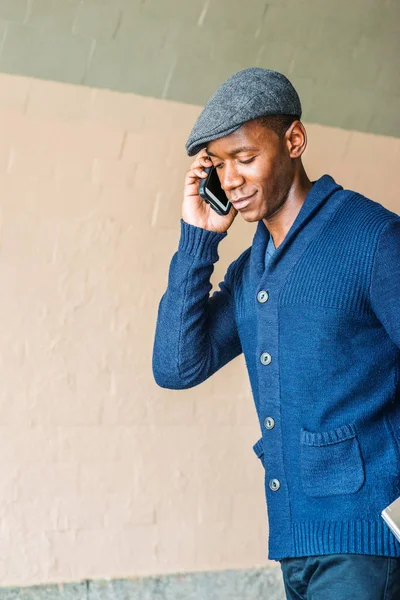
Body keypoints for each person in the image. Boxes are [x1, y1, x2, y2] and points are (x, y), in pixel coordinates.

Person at [152, 68, 400, 599]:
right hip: (295, 544)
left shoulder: (374, 239)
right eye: (219, 166)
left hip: (368, 543)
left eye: (245, 159)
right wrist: (197, 241)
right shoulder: (251, 272)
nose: (232, 179)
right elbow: (176, 367)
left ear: (294, 141)